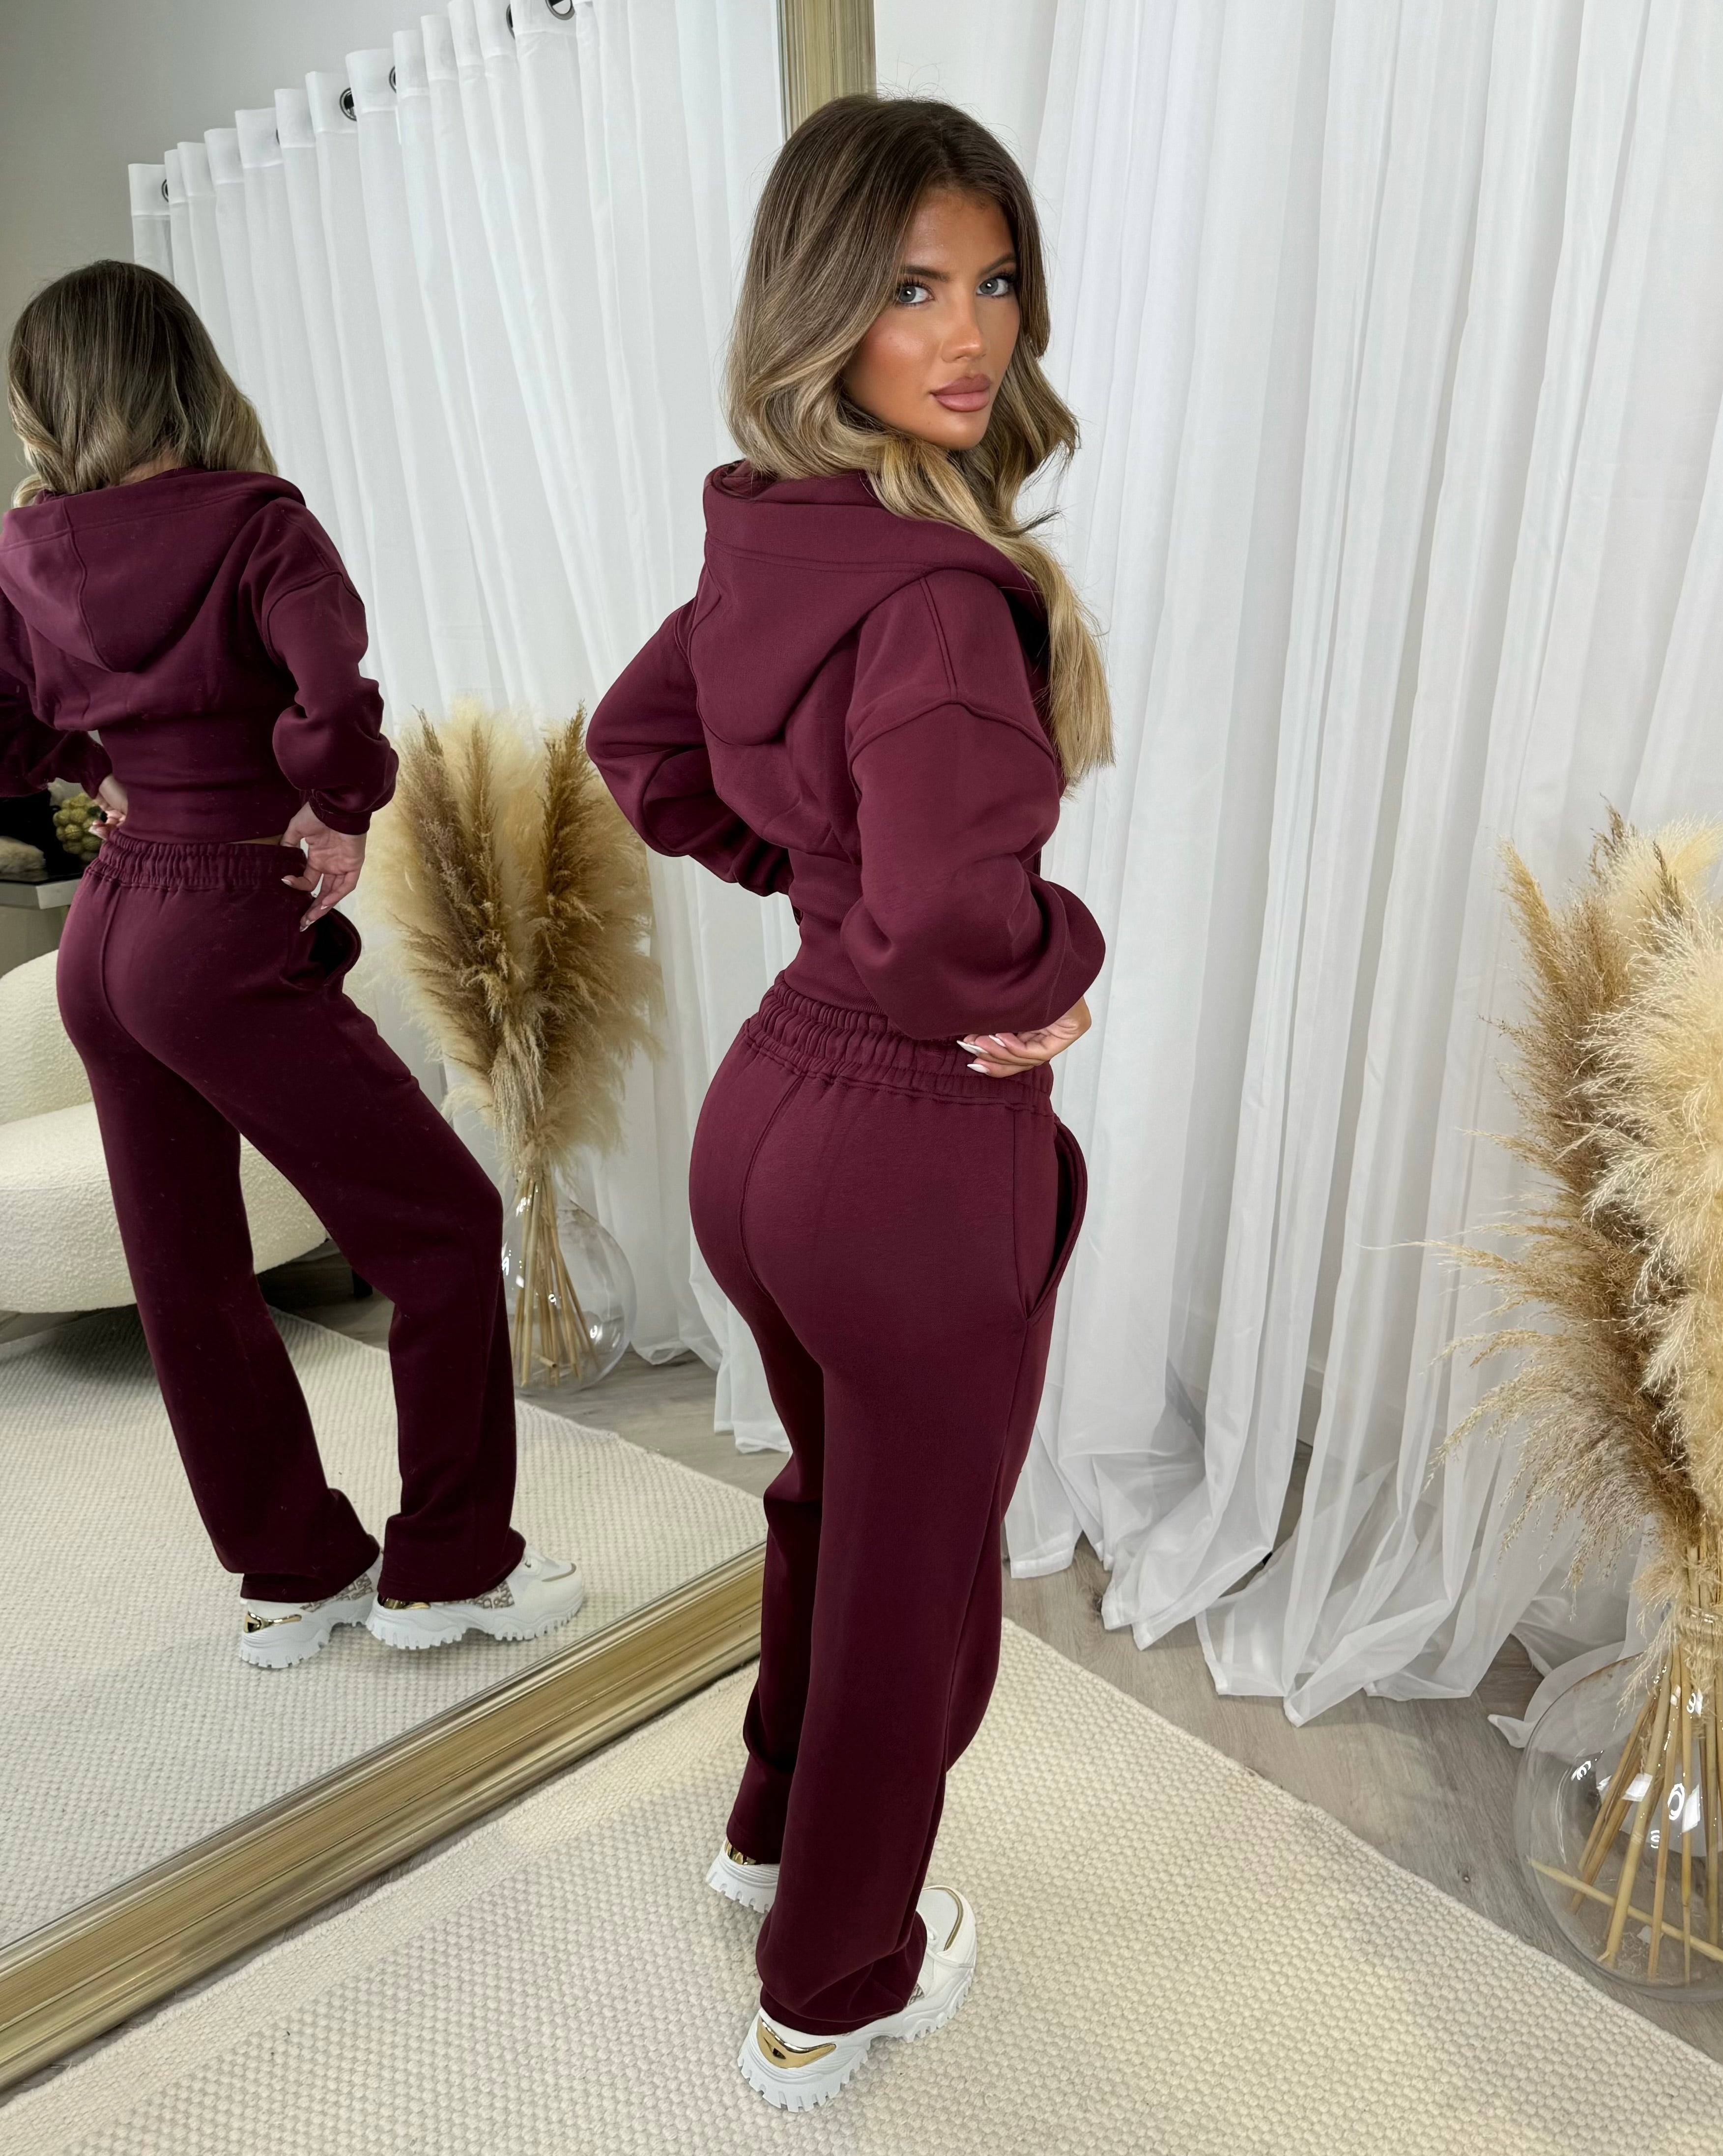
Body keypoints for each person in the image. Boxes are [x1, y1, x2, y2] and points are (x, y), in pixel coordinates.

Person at [586, 95, 1110, 2110]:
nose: (967, 333)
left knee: (833, 1502)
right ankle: (831, 1984)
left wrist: (826, 897)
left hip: (764, 1123)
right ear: (822, 308)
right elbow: (958, 927)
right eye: (909, 288)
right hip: (902, 1154)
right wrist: (1054, 967)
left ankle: (767, 1832)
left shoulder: (774, 528)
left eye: (992, 281)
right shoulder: (943, 601)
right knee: (916, 1579)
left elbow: (641, 744)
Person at [0, 260, 585, 1669]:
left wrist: (101, 768)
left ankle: (293, 1572)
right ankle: (449, 1570)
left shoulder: (27, 550)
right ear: (184, 373)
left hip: (106, 937)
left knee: (186, 1271)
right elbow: (333, 694)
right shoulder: (257, 522)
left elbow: (12, 735)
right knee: (445, 1226)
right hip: (217, 919)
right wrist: (338, 803)